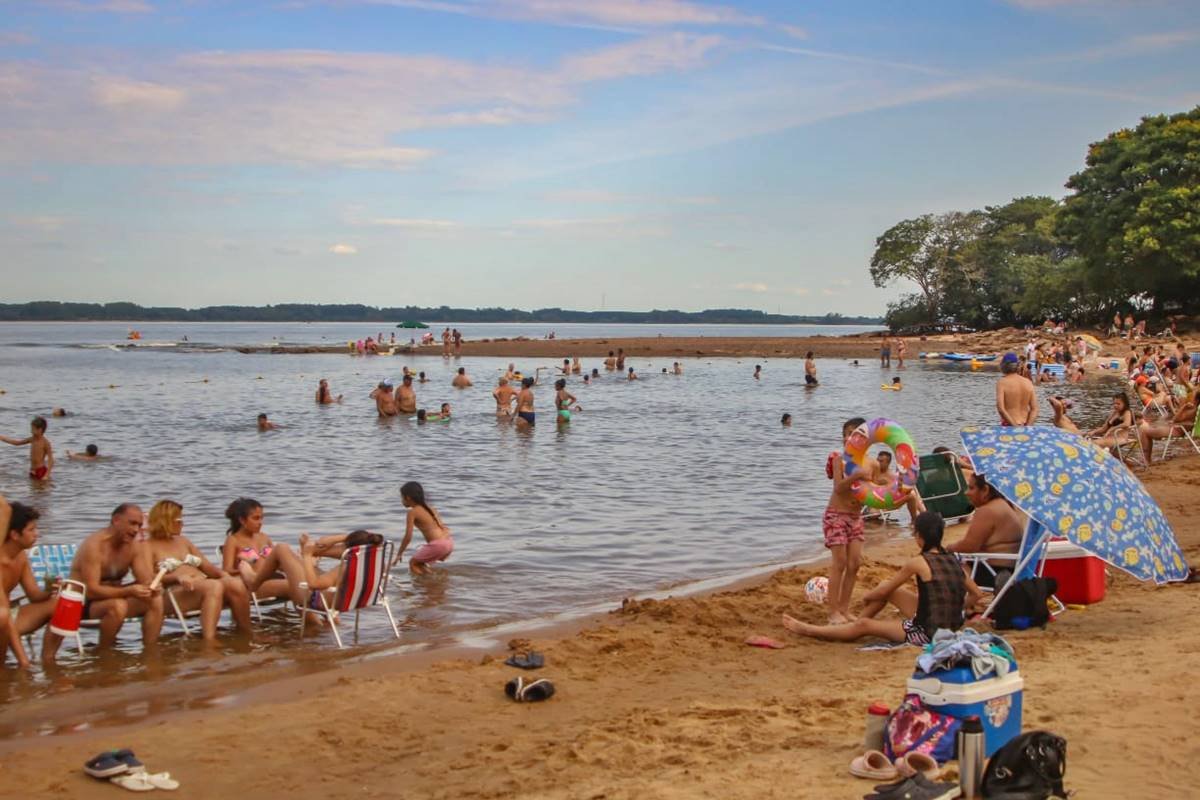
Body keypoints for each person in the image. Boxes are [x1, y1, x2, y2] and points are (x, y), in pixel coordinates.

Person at [782, 512, 983, 645]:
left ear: (919, 537)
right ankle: (853, 624)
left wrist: (867, 597)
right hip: (950, 624)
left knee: (865, 626)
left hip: (926, 633)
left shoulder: (918, 562)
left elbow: (883, 592)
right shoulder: (953, 560)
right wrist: (953, 606)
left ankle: (811, 630)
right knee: (888, 587)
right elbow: (977, 594)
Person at [42, 504, 164, 663]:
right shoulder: (94, 545)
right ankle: (104, 654)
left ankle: (150, 654)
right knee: (117, 606)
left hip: (114, 598)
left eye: (139, 525)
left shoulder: (134, 547)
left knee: (155, 599)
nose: (136, 530)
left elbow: (145, 579)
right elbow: (91, 590)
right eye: (132, 523)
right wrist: (129, 591)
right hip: (83, 603)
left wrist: (153, 585)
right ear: (116, 520)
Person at [145, 500, 252, 641]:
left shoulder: (183, 541)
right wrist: (177, 578)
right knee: (213, 585)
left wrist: (224, 575)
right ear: (165, 521)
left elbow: (207, 567)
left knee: (235, 584)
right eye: (179, 520)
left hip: (199, 586)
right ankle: (209, 641)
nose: (182, 524)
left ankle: (246, 634)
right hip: (173, 592)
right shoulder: (148, 546)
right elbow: (147, 577)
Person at [220, 498, 309, 608]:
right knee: (297, 586)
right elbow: (226, 570)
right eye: (256, 518)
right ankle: (314, 615)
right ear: (242, 520)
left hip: (273, 579)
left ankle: (314, 616)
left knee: (302, 583)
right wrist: (246, 571)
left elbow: (279, 563)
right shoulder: (233, 540)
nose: (260, 522)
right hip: (254, 587)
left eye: (262, 518)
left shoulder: (264, 537)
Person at [1, 497, 57, 669]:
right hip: (2, 617)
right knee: (3, 615)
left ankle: (48, 659)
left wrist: (49, 589)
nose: (36, 534)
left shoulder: (21, 557)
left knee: (58, 603)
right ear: (14, 535)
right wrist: (24, 662)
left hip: (7, 615)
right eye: (31, 530)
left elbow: (34, 595)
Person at [822, 417, 868, 624]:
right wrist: (855, 476)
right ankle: (833, 612)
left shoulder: (870, 463)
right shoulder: (838, 460)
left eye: (854, 434)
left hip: (856, 517)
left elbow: (875, 490)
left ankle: (844, 609)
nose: (848, 438)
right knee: (839, 563)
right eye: (846, 434)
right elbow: (839, 488)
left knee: (854, 563)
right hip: (836, 516)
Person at [945, 475, 1025, 584]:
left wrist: (949, 548)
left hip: (992, 573)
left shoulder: (987, 511)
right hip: (1011, 571)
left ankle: (971, 595)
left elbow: (969, 546)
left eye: (971, 488)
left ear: (985, 490)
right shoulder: (1005, 504)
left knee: (946, 565)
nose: (966, 493)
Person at [397, 482, 453, 575]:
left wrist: (399, 553)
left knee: (413, 563)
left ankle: (429, 581)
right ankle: (433, 579)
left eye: (402, 497)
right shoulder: (430, 508)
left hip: (439, 545)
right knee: (420, 563)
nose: (401, 500)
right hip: (448, 541)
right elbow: (443, 527)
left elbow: (408, 537)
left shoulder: (412, 512)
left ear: (408, 498)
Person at [2, 416, 53, 481]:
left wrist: (47, 475)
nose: (31, 431)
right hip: (32, 470)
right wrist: (2, 438)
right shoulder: (32, 439)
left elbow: (51, 460)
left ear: (40, 430)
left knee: (42, 487)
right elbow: (17, 443)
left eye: (33, 429)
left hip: (41, 470)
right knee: (32, 487)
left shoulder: (45, 443)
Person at [996, 353, 1037, 426]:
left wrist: (1015, 427)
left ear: (1003, 366)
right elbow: (1034, 409)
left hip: (1009, 425)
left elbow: (1001, 409)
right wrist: (1028, 427)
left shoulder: (1002, 383)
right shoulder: (1028, 382)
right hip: (1025, 424)